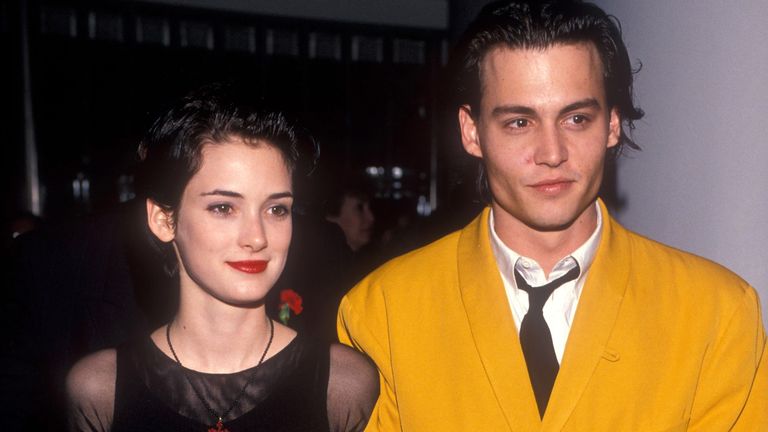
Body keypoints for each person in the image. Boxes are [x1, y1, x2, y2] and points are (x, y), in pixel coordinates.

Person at [337, 1, 767, 430]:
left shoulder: (717, 314)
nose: (552, 153)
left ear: (613, 124)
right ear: (472, 132)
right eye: (519, 123)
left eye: (576, 118)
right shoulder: (382, 312)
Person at [66, 84, 378, 432]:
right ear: (163, 220)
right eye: (224, 207)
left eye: (276, 209)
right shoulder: (101, 388)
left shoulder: (345, 384)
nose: (257, 237)